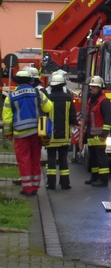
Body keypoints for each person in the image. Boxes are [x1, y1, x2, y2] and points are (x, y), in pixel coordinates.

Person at [2, 67, 53, 196]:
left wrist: (8, 134)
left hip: (20, 135)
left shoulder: (11, 97)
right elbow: (49, 106)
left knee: (24, 161)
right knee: (35, 159)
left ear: (17, 81)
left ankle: (27, 189)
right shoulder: (37, 93)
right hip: (36, 133)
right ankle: (35, 187)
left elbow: (7, 119)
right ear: (29, 80)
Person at [45, 70, 79, 189]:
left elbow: (43, 116)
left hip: (50, 136)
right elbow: (72, 116)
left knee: (51, 159)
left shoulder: (47, 98)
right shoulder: (68, 98)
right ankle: (65, 183)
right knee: (63, 159)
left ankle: (51, 183)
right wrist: (74, 123)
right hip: (64, 136)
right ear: (63, 85)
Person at [84, 75, 111, 187]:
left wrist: (104, 134)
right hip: (91, 135)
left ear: (100, 88)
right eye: (91, 87)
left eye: (95, 87)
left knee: (101, 158)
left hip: (100, 136)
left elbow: (108, 118)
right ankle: (94, 177)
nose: (92, 89)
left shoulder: (104, 101)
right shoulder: (91, 100)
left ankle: (103, 179)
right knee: (93, 158)